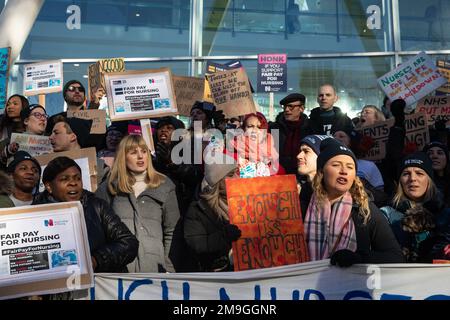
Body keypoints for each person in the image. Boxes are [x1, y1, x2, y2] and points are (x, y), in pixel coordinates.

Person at [304, 138, 404, 266]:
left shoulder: (365, 210)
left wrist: (359, 258)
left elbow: (395, 257)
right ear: (322, 171)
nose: (344, 171)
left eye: (350, 167)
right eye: (336, 165)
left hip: (351, 284)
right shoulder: (303, 206)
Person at [33, 156, 139, 273]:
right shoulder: (34, 215)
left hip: (98, 286)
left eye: (77, 178)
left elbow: (128, 243)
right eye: (64, 179)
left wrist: (96, 260)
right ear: (49, 186)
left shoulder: (97, 206)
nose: (73, 183)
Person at [96, 135, 182, 273]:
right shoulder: (109, 187)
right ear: (123, 157)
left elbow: (172, 231)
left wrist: (168, 267)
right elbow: (98, 231)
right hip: (119, 270)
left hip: (155, 269)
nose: (140, 156)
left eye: (144, 151)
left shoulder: (165, 185)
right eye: (133, 152)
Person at [381, 152, 450, 262]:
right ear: (400, 182)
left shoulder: (445, 215)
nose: (412, 178)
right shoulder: (386, 215)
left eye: (419, 173)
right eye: (406, 174)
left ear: (429, 180)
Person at [184, 153, 242, 272]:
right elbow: (196, 244)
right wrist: (224, 237)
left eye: (238, 173)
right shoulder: (199, 209)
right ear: (217, 181)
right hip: (220, 277)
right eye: (231, 175)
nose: (237, 178)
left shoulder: (248, 202)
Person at [232, 112, 284, 177]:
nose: (255, 130)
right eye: (250, 126)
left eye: (259, 127)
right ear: (243, 129)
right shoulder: (231, 157)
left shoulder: (276, 165)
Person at [269, 93, 310, 174]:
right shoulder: (274, 128)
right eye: (285, 107)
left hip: (303, 174)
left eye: (291, 106)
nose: (287, 110)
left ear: (301, 108)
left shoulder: (310, 129)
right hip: (278, 174)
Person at [296, 135, 328, 217]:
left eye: (306, 151)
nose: (298, 156)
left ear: (321, 157)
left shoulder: (333, 191)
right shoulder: (295, 188)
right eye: (300, 151)